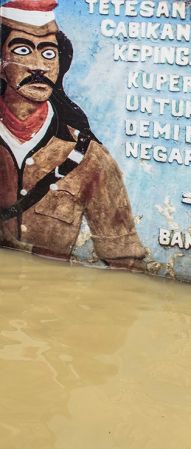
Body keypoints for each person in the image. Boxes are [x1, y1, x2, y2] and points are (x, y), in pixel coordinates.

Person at [0, 0, 146, 268]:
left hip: (52, 302)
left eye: (48, 53)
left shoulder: (89, 158)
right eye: (22, 49)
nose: (39, 66)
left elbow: (125, 267)